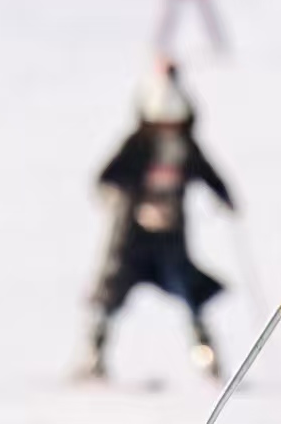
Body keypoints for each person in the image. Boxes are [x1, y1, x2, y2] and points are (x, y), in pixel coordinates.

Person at [79, 64, 234, 382]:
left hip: (170, 243)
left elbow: (209, 174)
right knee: (111, 297)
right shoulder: (136, 144)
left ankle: (207, 357)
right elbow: (105, 179)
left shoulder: (185, 147)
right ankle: (95, 356)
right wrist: (119, 197)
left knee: (190, 293)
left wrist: (224, 197)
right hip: (132, 242)